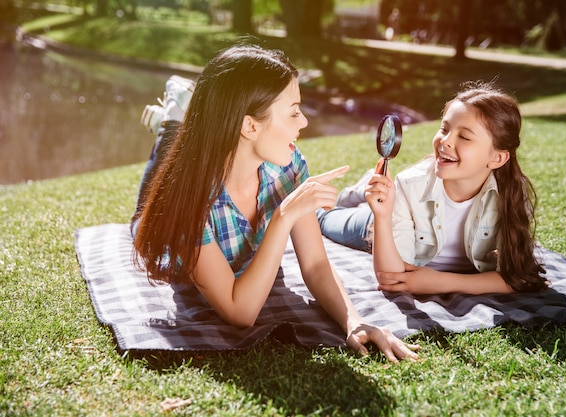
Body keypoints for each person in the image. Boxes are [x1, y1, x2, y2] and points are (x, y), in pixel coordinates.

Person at [131, 44, 419, 362]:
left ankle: (182, 120)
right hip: (177, 201)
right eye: (294, 111)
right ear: (250, 126)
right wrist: (284, 216)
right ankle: (171, 123)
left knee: (188, 148)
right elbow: (240, 312)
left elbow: (315, 264)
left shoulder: (288, 163)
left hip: (218, 151)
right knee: (156, 187)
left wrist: (352, 319)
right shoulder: (187, 200)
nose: (305, 122)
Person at [318, 81, 549, 295]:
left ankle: (361, 189)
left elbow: (520, 277)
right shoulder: (409, 185)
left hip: (394, 208)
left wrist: (441, 281)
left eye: (464, 137)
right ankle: (356, 194)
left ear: (497, 158)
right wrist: (382, 215)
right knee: (323, 219)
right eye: (444, 129)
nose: (446, 141)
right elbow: (390, 279)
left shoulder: (511, 194)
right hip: (375, 221)